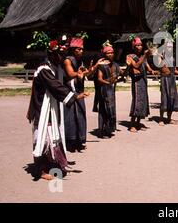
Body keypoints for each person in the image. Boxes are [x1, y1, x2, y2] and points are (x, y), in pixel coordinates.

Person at [26, 40, 88, 180]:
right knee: (43, 138)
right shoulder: (44, 69)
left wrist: (79, 75)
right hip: (42, 109)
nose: (62, 57)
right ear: (52, 54)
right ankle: (40, 170)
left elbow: (66, 80)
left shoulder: (55, 68)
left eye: (64, 54)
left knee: (53, 136)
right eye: (60, 54)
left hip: (52, 109)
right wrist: (75, 97)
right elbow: (55, 86)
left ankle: (50, 164)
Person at [62, 37, 102, 152]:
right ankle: (70, 142)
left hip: (79, 90)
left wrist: (94, 67)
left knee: (80, 116)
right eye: (79, 49)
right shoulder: (68, 60)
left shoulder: (80, 61)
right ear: (73, 50)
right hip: (70, 92)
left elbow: (87, 75)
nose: (81, 51)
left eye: (82, 49)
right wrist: (80, 73)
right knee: (70, 117)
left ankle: (79, 140)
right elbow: (70, 74)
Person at [127, 37, 158, 132]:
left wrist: (153, 71)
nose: (139, 47)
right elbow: (136, 65)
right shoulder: (129, 56)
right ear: (133, 47)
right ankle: (132, 124)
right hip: (136, 82)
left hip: (143, 81)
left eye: (140, 45)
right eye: (137, 45)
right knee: (137, 101)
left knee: (143, 102)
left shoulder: (143, 57)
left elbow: (147, 67)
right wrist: (144, 56)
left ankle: (138, 123)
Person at [155, 40, 178, 125]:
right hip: (164, 79)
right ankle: (161, 119)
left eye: (171, 47)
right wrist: (161, 57)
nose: (170, 48)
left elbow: (175, 70)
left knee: (171, 99)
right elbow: (160, 66)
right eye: (168, 47)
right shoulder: (160, 56)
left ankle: (169, 118)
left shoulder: (173, 58)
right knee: (164, 99)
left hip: (172, 80)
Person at [97, 44, 123, 138]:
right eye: (108, 53)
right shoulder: (102, 65)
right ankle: (103, 130)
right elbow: (99, 78)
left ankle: (109, 129)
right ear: (104, 54)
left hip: (111, 90)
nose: (110, 54)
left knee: (111, 110)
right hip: (104, 90)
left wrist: (128, 67)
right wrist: (107, 83)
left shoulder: (116, 65)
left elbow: (122, 74)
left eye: (112, 52)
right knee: (105, 109)